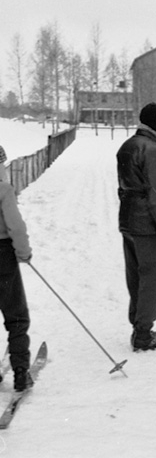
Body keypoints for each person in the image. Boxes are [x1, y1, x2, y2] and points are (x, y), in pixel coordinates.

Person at [117, 103, 156, 351]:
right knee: (155, 280)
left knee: (136, 278)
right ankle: (143, 334)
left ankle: (139, 326)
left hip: (129, 223)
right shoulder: (151, 150)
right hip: (149, 227)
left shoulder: (128, 145)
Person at [0, 149, 35, 391]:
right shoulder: (3, 190)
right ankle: (21, 371)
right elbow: (15, 225)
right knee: (16, 314)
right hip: (2, 256)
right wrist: (23, 252)